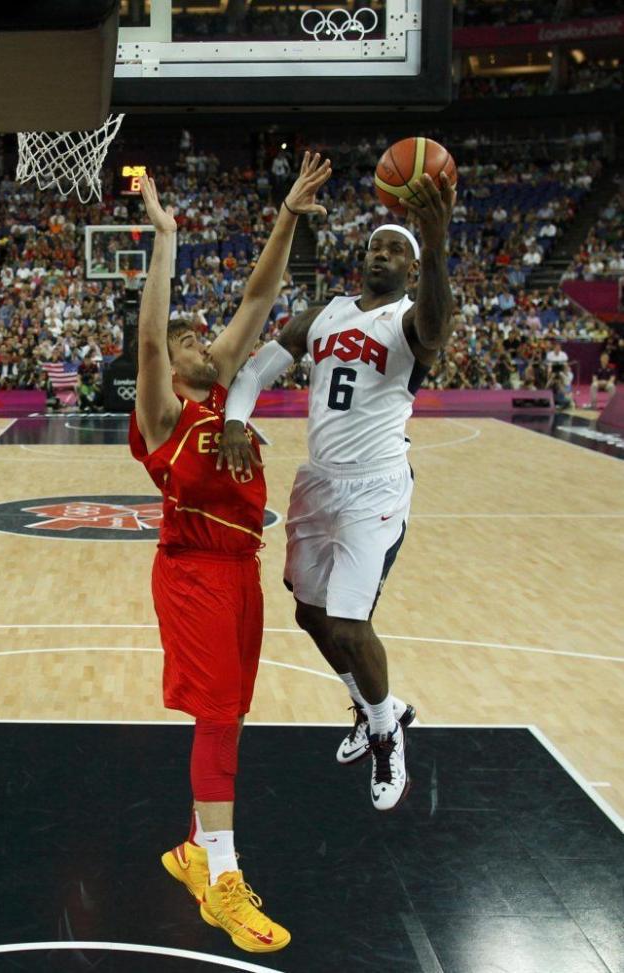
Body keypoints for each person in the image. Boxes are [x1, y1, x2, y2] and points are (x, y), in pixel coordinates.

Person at [128, 155, 330, 953]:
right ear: (171, 364)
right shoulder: (162, 416)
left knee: (232, 715)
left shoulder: (221, 392)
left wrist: (286, 214)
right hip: (193, 574)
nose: (199, 340)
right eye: (188, 339)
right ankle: (222, 880)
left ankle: (192, 846)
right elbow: (149, 339)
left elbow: (257, 298)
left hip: (240, 571)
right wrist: (166, 237)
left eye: (199, 334)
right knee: (216, 716)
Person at [218, 171, 456, 812]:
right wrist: (236, 420)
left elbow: (437, 328)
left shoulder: (411, 320)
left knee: (351, 624)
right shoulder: (323, 314)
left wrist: (436, 244)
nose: (382, 255)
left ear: (412, 268)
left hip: (375, 487)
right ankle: (379, 706)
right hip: (318, 481)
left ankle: (385, 734)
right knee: (308, 613)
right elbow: (255, 373)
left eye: (396, 250)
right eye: (377, 246)